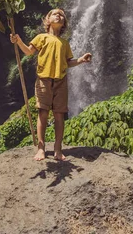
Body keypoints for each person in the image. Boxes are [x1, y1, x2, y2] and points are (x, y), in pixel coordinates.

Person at [10, 9, 92, 161]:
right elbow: (28, 52)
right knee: (43, 113)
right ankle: (41, 148)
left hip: (61, 81)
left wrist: (80, 60)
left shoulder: (65, 43)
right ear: (47, 20)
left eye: (61, 15)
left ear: (64, 24)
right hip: (44, 80)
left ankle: (58, 149)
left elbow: (67, 63)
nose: (59, 15)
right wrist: (18, 41)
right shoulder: (42, 37)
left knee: (59, 115)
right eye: (55, 13)